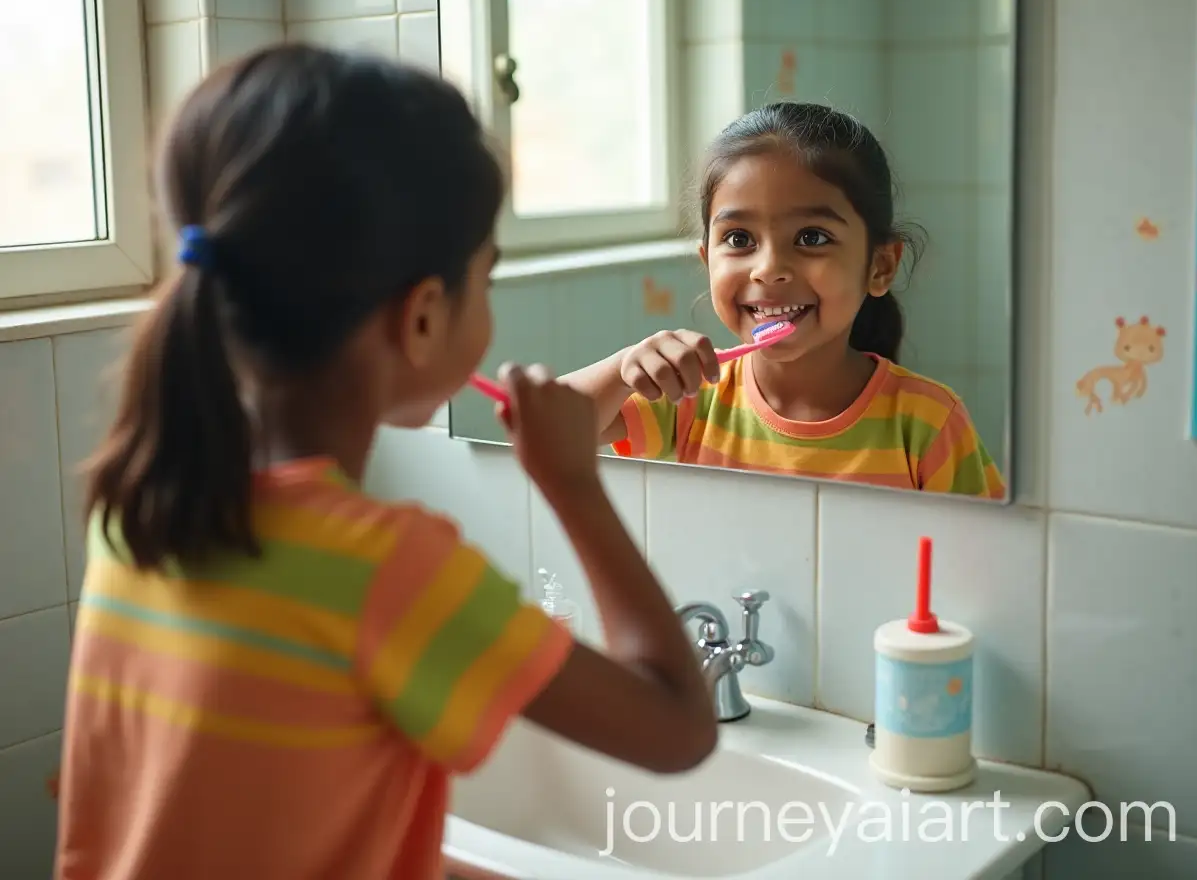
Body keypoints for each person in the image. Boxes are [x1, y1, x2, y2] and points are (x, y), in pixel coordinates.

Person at [54, 43, 716, 880]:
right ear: (425, 317)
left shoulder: (140, 513)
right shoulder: (391, 571)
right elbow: (679, 730)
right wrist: (571, 484)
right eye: (488, 275)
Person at [562, 102, 1005, 498]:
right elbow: (539, 427)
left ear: (880, 266)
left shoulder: (928, 423)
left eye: (812, 237)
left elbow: (989, 561)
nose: (768, 268)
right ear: (707, 260)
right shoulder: (693, 399)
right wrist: (624, 368)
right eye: (739, 239)